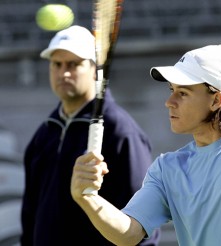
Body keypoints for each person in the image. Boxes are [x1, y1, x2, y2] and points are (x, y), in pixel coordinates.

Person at [70, 44, 221, 246]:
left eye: (183, 93)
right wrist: (88, 198)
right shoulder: (167, 168)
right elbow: (128, 233)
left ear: (216, 100)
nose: (169, 101)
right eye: (172, 90)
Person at [20, 25, 160, 246]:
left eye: (74, 64)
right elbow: (30, 214)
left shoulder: (122, 131)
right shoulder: (44, 134)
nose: (63, 72)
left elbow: (142, 226)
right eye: (57, 64)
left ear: (95, 69)